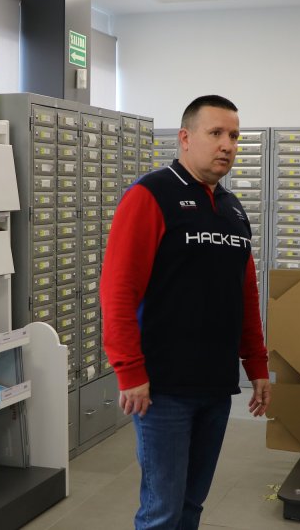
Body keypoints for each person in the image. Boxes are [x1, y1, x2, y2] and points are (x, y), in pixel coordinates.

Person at [101, 94, 271, 530]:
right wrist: (129, 372)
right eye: (215, 133)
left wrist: (257, 365)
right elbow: (118, 290)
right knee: (162, 510)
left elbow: (244, 295)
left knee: (192, 506)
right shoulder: (150, 195)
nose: (227, 145)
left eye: (234, 135)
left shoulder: (232, 210)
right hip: (163, 389)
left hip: (215, 386)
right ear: (185, 137)